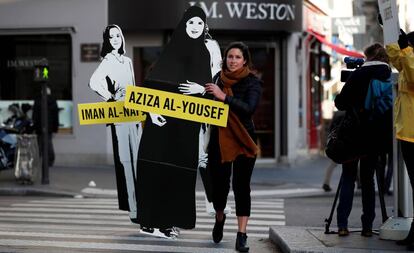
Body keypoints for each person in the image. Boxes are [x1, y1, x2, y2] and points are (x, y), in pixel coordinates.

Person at [135, 6, 211, 238]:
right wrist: (151, 112)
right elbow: (151, 86)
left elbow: (208, 91)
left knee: (180, 174)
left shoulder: (204, 54)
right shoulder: (172, 52)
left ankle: (170, 220)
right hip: (164, 125)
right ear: (184, 26)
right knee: (159, 171)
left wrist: (201, 88)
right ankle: (153, 223)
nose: (195, 28)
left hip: (186, 126)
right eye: (191, 23)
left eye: (200, 23)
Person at [205, 41, 262, 252]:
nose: (233, 60)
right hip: (219, 140)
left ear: (244, 60)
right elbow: (205, 108)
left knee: (241, 187)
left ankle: (242, 234)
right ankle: (220, 217)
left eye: (238, 57)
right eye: (230, 57)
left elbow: (249, 109)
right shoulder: (216, 79)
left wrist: (224, 97)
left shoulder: (253, 83)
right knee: (219, 187)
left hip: (243, 140)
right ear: (225, 58)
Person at [334, 43, 392, 237]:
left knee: (349, 177)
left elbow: (340, 103)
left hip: (353, 134)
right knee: (368, 180)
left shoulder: (358, 74)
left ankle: (342, 224)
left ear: (367, 57)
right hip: (376, 136)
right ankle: (367, 226)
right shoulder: (388, 75)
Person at [89, 24, 141, 223]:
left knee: (137, 161)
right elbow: (94, 82)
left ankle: (141, 204)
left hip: (134, 113)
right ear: (107, 41)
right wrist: (109, 97)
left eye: (118, 35)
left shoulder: (127, 61)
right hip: (119, 113)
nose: (116, 39)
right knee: (126, 162)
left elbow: (134, 87)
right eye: (112, 37)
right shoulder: (108, 61)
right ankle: (133, 209)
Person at [385, 29, 414, 249]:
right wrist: (390, 32)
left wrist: (404, 48)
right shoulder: (406, 62)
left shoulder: (410, 62)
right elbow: (397, 58)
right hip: (407, 133)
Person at [32, 86, 59, 167]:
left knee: (39, 145)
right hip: (49, 127)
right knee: (48, 144)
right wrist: (55, 129)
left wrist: (35, 127)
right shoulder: (53, 101)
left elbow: (35, 116)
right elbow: (55, 116)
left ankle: (37, 162)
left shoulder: (38, 101)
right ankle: (49, 161)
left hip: (39, 127)